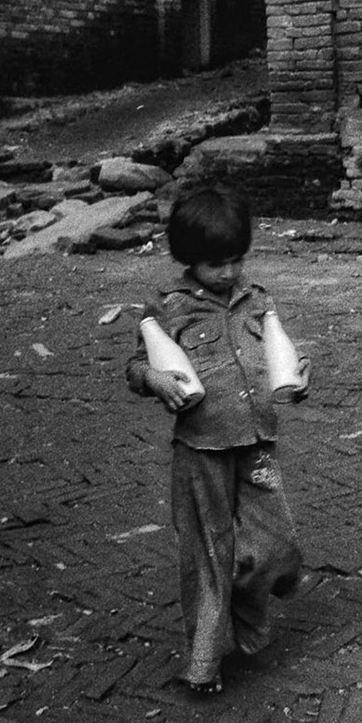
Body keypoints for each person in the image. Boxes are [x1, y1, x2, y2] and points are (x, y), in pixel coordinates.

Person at [125, 185, 309, 693]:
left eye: (236, 259)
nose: (229, 272)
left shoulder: (257, 299)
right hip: (200, 451)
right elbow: (136, 366)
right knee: (207, 553)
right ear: (188, 258)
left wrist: (300, 371)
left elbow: (280, 354)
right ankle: (203, 663)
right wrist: (155, 379)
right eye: (215, 263)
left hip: (257, 445)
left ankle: (249, 603)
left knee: (277, 544)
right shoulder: (168, 307)